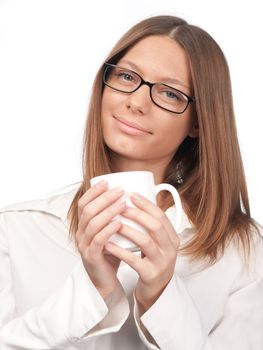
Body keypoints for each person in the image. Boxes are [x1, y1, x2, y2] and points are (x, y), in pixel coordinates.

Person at [0, 15, 262, 350]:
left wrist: (162, 296)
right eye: (126, 76)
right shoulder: (16, 229)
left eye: (169, 94)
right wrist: (92, 289)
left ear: (198, 122)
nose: (136, 103)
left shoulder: (246, 252)